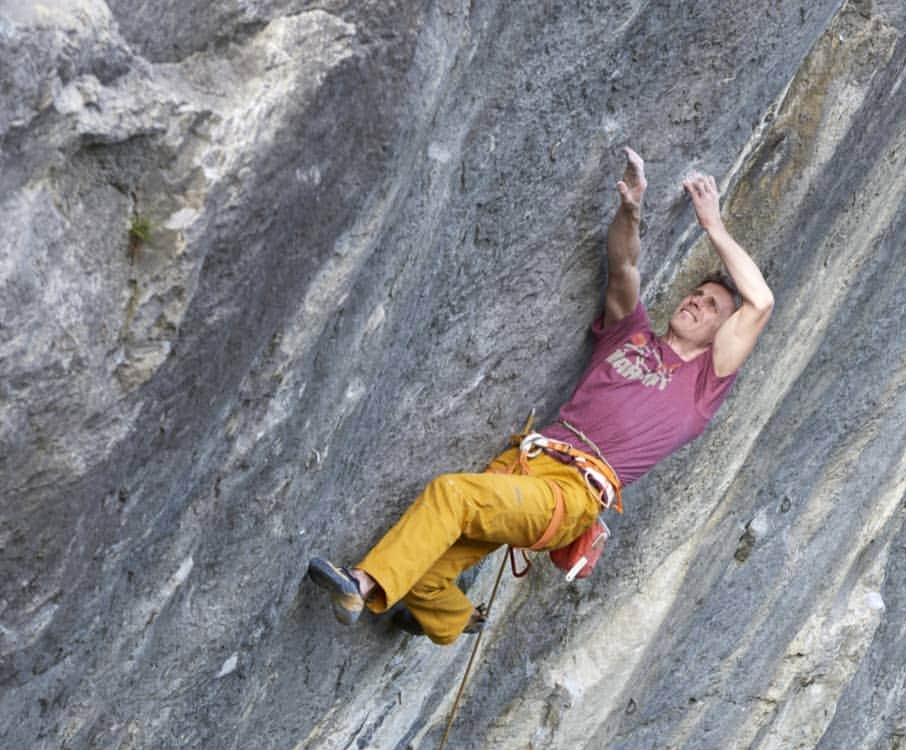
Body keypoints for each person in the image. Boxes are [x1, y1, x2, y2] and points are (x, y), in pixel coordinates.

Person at [308, 147, 774, 644]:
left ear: (724, 332)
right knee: (425, 572)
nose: (695, 304)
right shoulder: (631, 336)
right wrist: (630, 211)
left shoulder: (705, 384)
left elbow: (759, 301)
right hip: (526, 461)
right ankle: (448, 617)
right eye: (695, 295)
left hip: (569, 494)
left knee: (453, 495)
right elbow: (623, 267)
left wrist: (713, 226)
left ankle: (362, 584)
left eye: (710, 306)